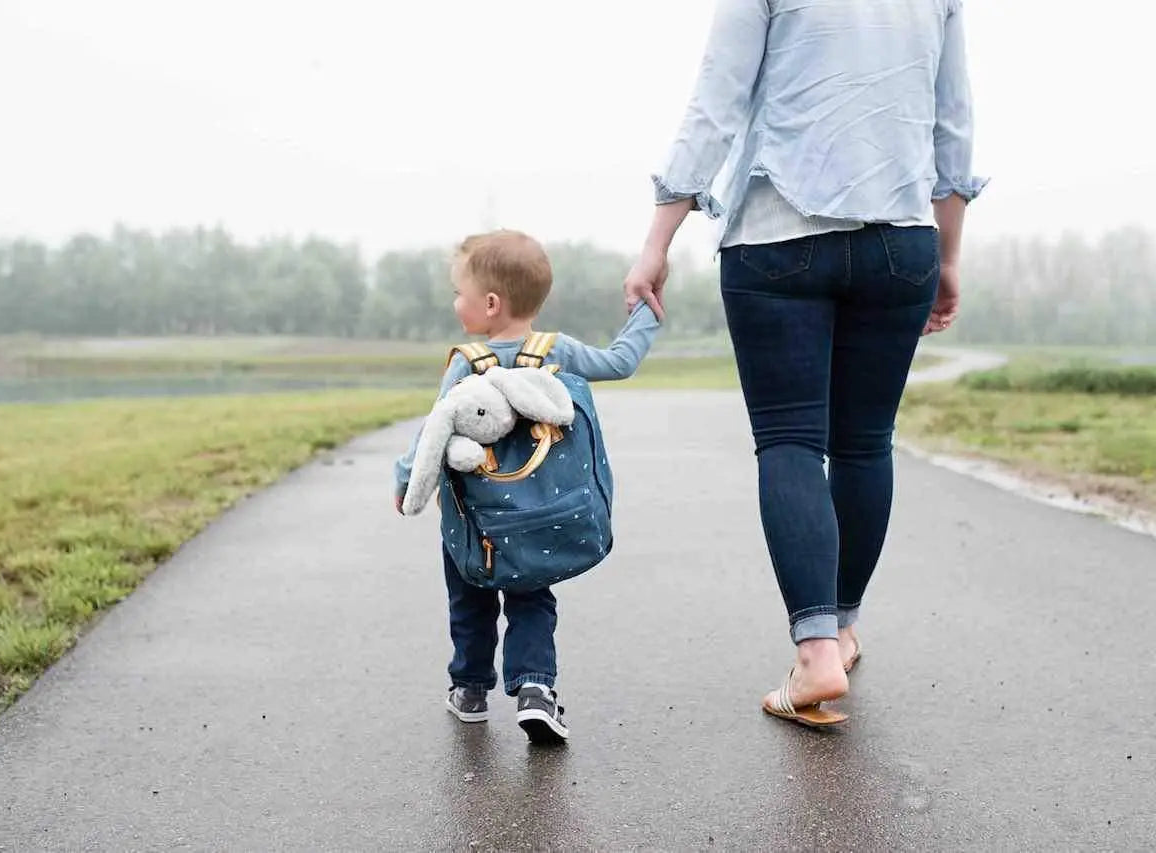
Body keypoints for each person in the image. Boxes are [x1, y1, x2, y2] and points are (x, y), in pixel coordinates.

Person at [624, 0, 986, 727]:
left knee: (792, 440)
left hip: (774, 234)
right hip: (901, 239)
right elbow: (953, 125)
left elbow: (717, 99)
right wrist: (947, 255)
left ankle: (816, 651)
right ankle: (843, 628)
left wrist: (658, 238)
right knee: (863, 443)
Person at [395, 229, 660, 743]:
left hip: (474, 524)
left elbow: (435, 428)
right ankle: (537, 690)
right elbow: (620, 362)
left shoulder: (467, 363)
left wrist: (406, 479)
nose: (456, 303)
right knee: (532, 598)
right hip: (538, 517)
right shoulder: (555, 350)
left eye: (460, 293)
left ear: (490, 304)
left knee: (469, 600)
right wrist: (646, 314)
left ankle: (470, 690)